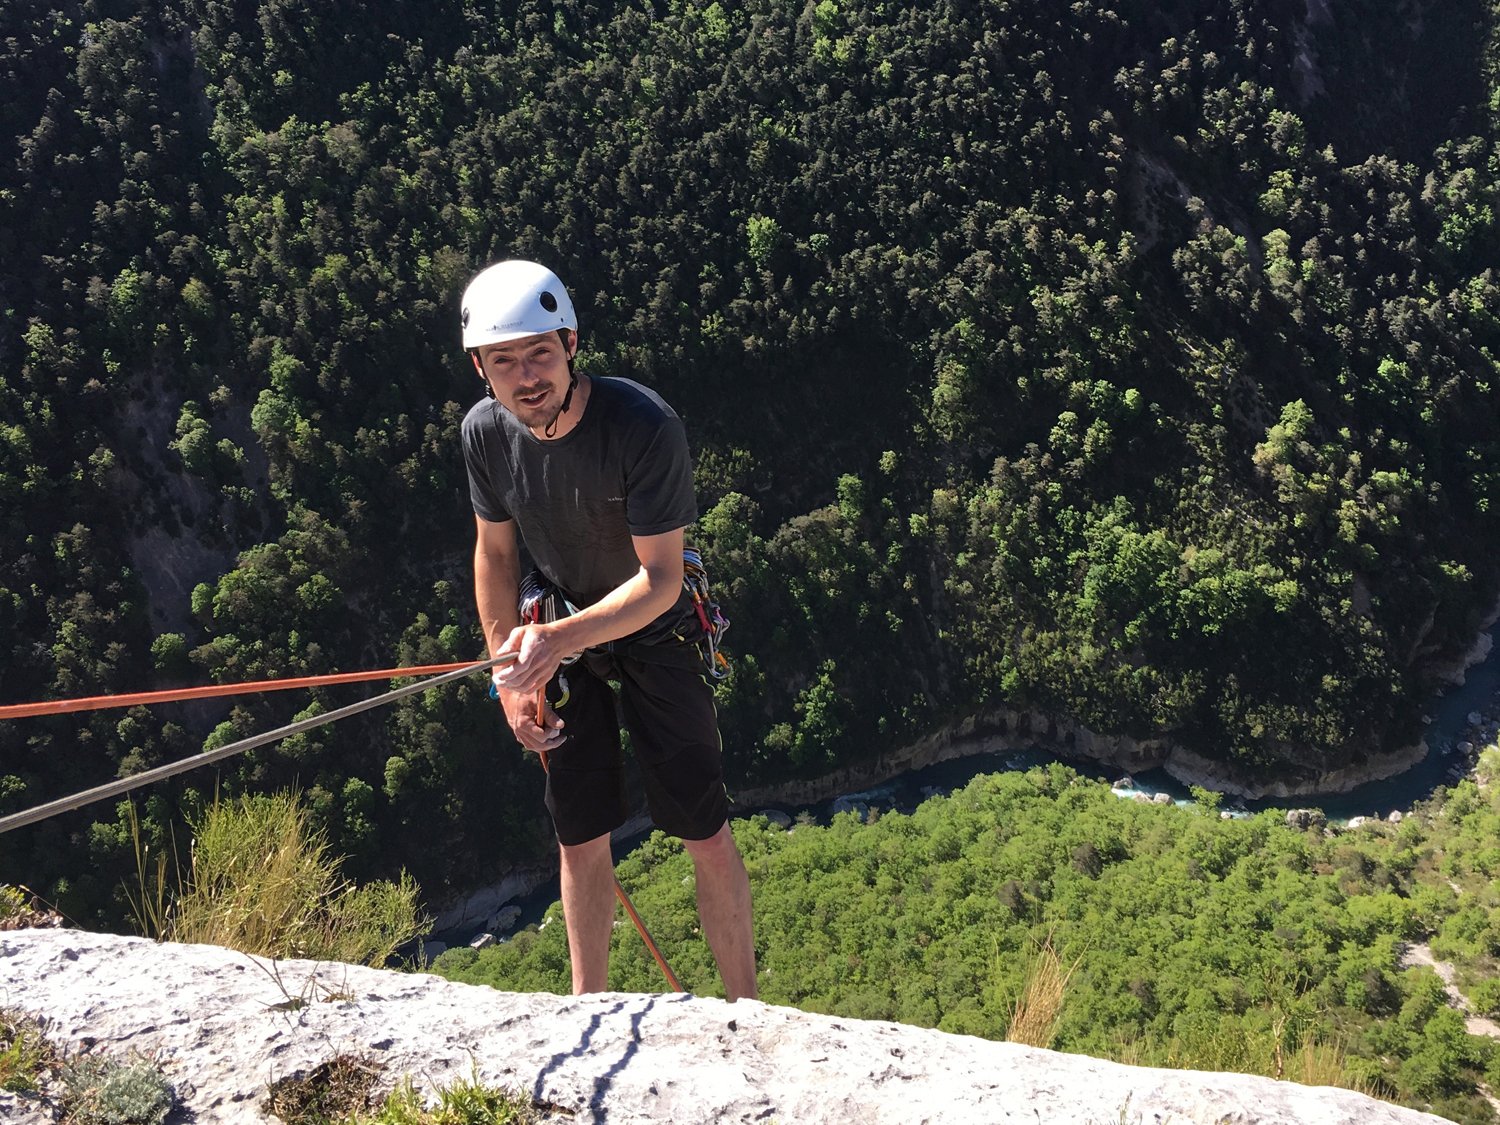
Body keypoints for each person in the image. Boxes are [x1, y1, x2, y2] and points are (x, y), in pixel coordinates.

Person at [459, 259, 757, 1000]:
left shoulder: (643, 426)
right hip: (555, 620)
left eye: (540, 354)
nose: (527, 376)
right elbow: (494, 553)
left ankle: (748, 1011)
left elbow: (660, 578)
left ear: (571, 344)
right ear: (481, 370)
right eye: (506, 362)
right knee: (578, 832)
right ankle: (583, 1007)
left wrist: (555, 644)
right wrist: (509, 679)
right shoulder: (486, 435)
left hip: (651, 627)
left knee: (704, 828)